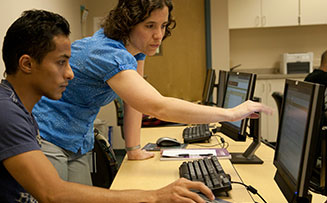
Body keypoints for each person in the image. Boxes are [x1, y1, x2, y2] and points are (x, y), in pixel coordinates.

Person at [33, 0, 273, 186]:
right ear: (128, 23)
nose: (159, 35)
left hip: (77, 140)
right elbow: (156, 106)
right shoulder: (107, 53)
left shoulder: (133, 50)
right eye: (150, 26)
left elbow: (133, 101)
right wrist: (231, 113)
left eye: (163, 25)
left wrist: (133, 149)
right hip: (47, 134)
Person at [0, 9, 217, 203]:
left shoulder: (17, 108)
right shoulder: (7, 113)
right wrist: (154, 196)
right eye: (61, 62)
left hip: (77, 141)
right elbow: (53, 193)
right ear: (27, 64)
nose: (70, 73)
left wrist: (133, 151)